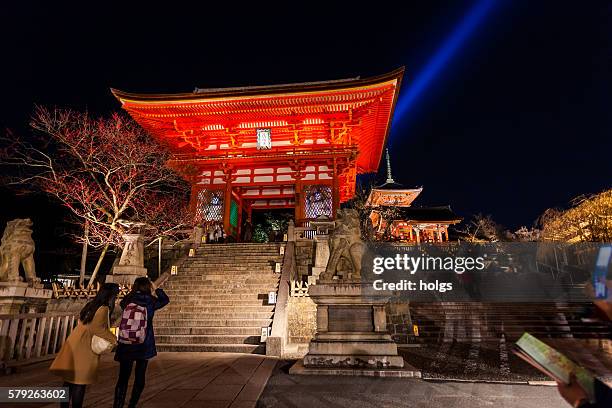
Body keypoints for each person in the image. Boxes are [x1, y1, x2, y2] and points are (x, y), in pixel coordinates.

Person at [49, 282, 120, 408]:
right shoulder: (103, 309)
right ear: (111, 295)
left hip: (75, 341)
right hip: (84, 345)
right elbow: (97, 328)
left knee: (69, 380)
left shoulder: (91, 305)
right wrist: (114, 339)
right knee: (80, 382)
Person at [113, 277, 169, 408]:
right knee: (140, 376)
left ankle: (118, 405)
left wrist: (133, 292)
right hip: (143, 343)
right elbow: (165, 300)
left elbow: (121, 305)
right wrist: (155, 287)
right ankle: (132, 404)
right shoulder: (150, 301)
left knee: (123, 378)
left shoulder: (128, 300)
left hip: (126, 343)